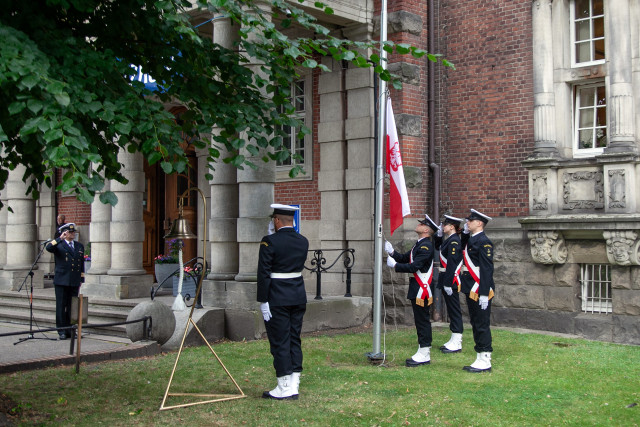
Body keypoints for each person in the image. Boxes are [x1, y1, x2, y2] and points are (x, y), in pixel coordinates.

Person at [257, 203, 309, 400]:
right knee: (294, 338)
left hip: (277, 297)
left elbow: (263, 273)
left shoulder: (269, 242)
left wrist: (263, 300)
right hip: (297, 295)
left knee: (279, 340)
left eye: (274, 220)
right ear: (292, 221)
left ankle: (283, 386)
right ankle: (294, 383)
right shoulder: (303, 241)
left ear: (277, 221)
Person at [385, 214, 438, 367]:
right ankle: (423, 350)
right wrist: (392, 253)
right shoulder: (419, 244)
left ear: (426, 230)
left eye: (422, 224)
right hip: (417, 288)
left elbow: (415, 266)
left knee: (422, 321)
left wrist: (395, 266)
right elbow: (405, 258)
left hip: (422, 289)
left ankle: (424, 352)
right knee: (420, 320)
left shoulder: (426, 246)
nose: (419, 225)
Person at [459, 209, 495, 373]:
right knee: (475, 322)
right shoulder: (472, 239)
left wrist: (483, 293)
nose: (467, 222)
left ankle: (485, 357)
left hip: (479, 288)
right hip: (470, 287)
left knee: (481, 323)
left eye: (470, 220)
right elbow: (463, 247)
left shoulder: (484, 242)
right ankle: (479, 355)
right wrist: (465, 234)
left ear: (479, 223)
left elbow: (487, 270)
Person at [45, 223, 85, 340]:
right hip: (61, 280)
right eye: (70, 232)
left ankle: (71, 329)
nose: (72, 234)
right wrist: (59, 238)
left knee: (72, 306)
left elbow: (81, 264)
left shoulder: (79, 246)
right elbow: (48, 248)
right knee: (61, 306)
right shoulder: (59, 245)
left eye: (73, 232)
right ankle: (61, 330)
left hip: (74, 280)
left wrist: (81, 278)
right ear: (65, 233)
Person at [434, 215, 464, 353]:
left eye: (444, 225)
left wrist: (448, 282)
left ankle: (457, 340)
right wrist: (439, 235)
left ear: (452, 226)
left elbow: (452, 263)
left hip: (450, 279)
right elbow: (437, 246)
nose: (442, 227)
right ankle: (454, 337)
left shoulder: (454, 242)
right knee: (452, 309)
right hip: (446, 278)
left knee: (454, 309)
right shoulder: (449, 240)